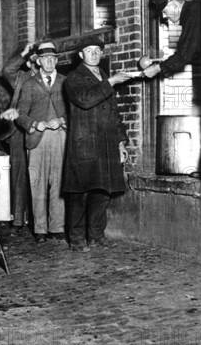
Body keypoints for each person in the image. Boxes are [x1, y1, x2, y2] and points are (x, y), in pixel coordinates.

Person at [63, 36, 133, 252]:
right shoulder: (73, 78)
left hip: (106, 143)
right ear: (81, 55)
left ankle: (96, 235)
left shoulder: (102, 75)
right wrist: (110, 82)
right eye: (89, 50)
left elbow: (114, 113)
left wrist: (121, 141)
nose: (94, 54)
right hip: (84, 143)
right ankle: (76, 239)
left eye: (97, 50)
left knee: (102, 192)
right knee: (79, 193)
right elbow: (85, 100)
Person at [16, 42, 67, 244]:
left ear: (56, 60)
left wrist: (62, 121)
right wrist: (34, 124)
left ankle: (57, 226)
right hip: (37, 138)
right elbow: (19, 114)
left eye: (52, 58)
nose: (49, 61)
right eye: (45, 58)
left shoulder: (65, 82)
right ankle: (40, 228)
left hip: (60, 137)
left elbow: (75, 110)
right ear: (38, 61)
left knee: (59, 181)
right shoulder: (29, 84)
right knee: (37, 183)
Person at [2, 43, 37, 234]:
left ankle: (37, 221)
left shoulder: (49, 78)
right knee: (18, 176)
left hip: (39, 132)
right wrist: (23, 52)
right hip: (18, 134)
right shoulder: (21, 77)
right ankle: (17, 221)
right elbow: (7, 69)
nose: (36, 64)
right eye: (32, 60)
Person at [142, 0, 201, 79]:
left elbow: (184, 55)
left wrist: (157, 68)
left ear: (174, 5)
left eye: (165, 11)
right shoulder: (192, 13)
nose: (165, 17)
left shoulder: (193, 14)